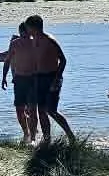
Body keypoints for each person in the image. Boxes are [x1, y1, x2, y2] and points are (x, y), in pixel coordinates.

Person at [24, 15, 78, 145]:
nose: (27, 31)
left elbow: (63, 60)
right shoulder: (33, 40)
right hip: (39, 78)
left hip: (52, 77)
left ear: (34, 27)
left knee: (51, 110)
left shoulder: (49, 40)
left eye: (28, 28)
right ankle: (47, 140)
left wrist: (56, 79)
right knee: (41, 111)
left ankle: (71, 137)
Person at [0, 20, 39, 142]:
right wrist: (4, 77)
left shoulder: (35, 44)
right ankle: (28, 134)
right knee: (22, 110)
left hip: (32, 80)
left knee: (31, 110)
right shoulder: (14, 46)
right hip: (19, 81)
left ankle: (32, 137)